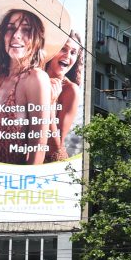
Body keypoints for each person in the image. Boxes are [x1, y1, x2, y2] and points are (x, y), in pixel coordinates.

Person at [0, 8, 60, 165]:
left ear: (37, 39)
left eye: (26, 29)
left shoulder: (36, 78)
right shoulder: (1, 75)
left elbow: (38, 147)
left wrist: (28, 186)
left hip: (17, 184)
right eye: (10, 28)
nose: (16, 35)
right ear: (3, 35)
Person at [41, 31, 82, 162]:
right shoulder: (30, 77)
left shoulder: (70, 90)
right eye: (63, 49)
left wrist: (50, 103)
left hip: (50, 165)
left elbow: (55, 146)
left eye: (73, 52)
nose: (67, 56)